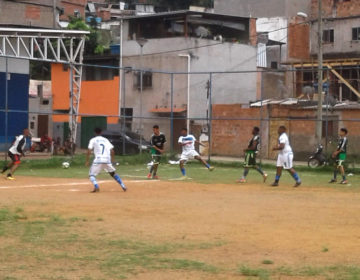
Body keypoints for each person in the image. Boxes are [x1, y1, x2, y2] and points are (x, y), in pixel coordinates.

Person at [85, 127, 127, 193]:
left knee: (91, 175)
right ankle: (123, 185)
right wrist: (113, 161)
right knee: (112, 173)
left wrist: (87, 160)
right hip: (107, 160)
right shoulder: (105, 140)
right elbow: (112, 151)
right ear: (101, 132)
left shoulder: (93, 140)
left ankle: (96, 186)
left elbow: (89, 150)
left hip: (98, 160)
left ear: (95, 133)